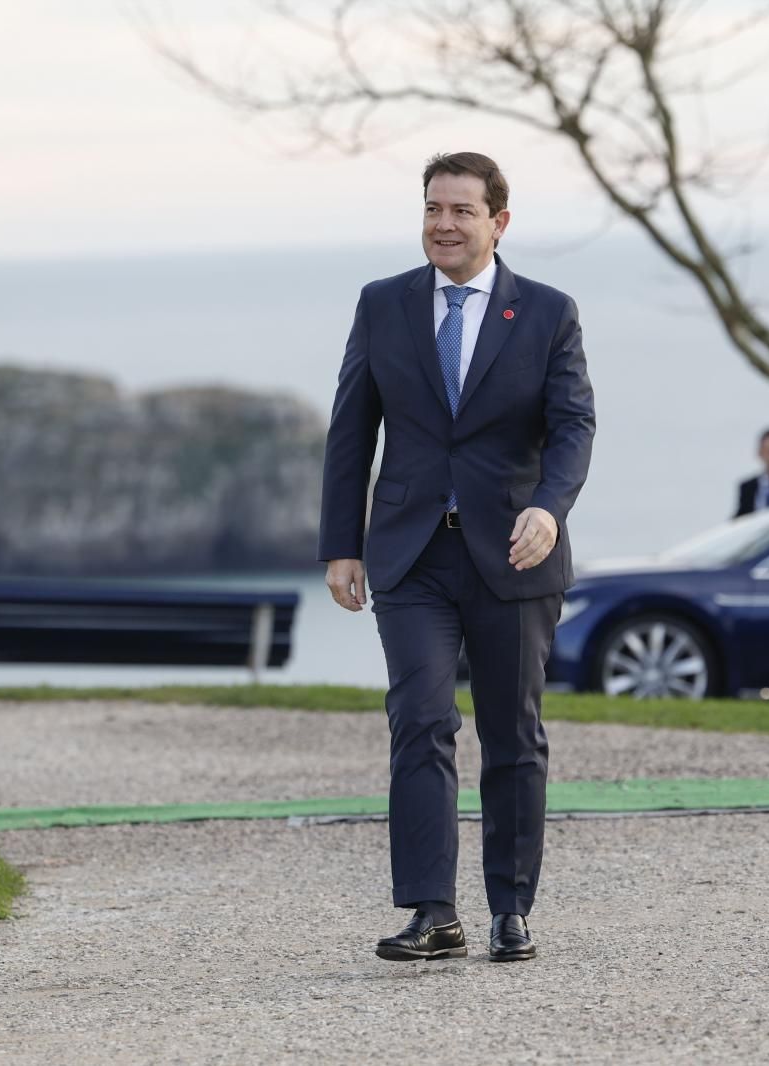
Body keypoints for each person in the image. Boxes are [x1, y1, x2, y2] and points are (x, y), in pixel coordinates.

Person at [318, 152, 595, 964]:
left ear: (498, 223)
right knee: (421, 721)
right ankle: (433, 912)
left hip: (513, 552)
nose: (444, 223)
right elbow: (351, 430)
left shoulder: (547, 313)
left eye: (462, 211)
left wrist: (549, 506)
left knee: (512, 733)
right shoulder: (383, 304)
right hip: (410, 556)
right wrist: (341, 543)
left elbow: (574, 425)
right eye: (433, 208)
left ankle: (511, 908)